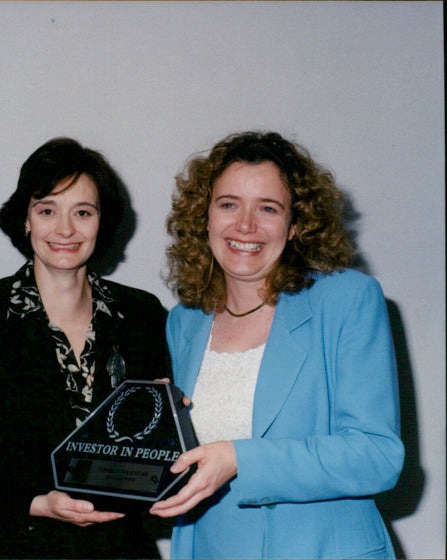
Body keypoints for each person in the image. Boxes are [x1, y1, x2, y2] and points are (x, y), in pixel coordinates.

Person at [148, 131, 405, 558]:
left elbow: (376, 455)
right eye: (228, 204)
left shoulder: (347, 300)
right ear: (204, 218)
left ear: (295, 225)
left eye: (268, 208)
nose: (245, 225)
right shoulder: (184, 321)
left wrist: (241, 459)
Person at [0, 137, 172, 558]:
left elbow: (154, 458)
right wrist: (37, 503)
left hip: (117, 548)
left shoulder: (142, 314)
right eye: (47, 210)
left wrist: (173, 424)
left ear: (102, 221)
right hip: (8, 546)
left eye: (83, 212)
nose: (65, 230)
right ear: (25, 219)